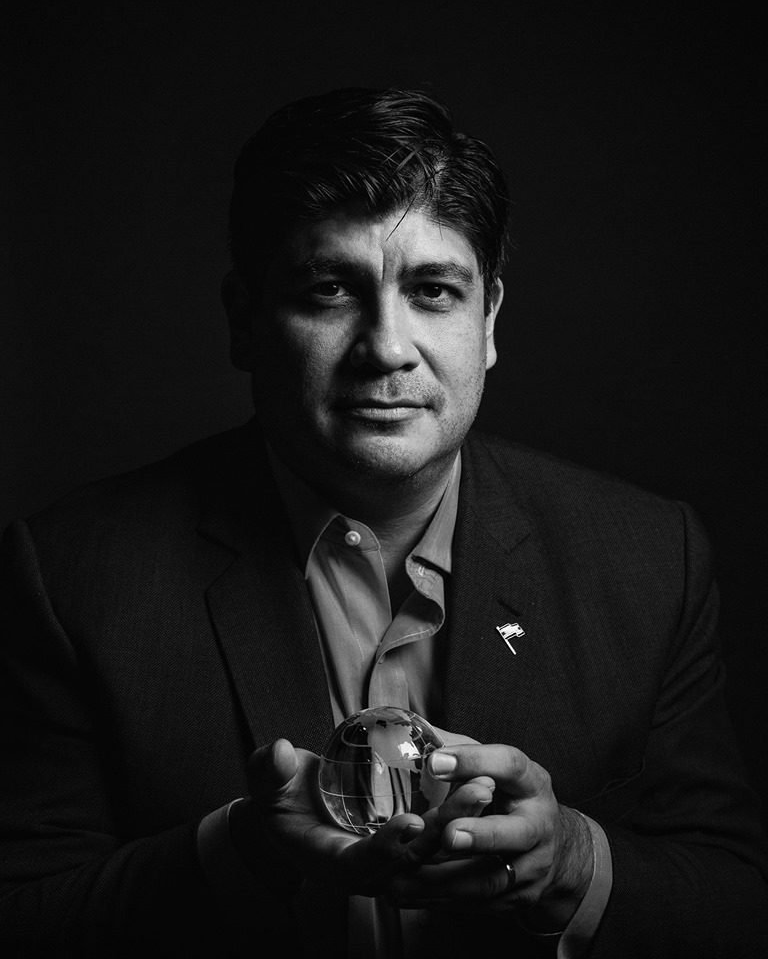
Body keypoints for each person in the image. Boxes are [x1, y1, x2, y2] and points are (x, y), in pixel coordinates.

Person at [1, 86, 767, 959]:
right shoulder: (70, 578)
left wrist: (573, 863)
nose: (387, 347)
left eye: (433, 290)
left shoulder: (649, 561)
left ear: (488, 320)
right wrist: (240, 852)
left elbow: (735, 905)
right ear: (244, 320)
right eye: (330, 289)